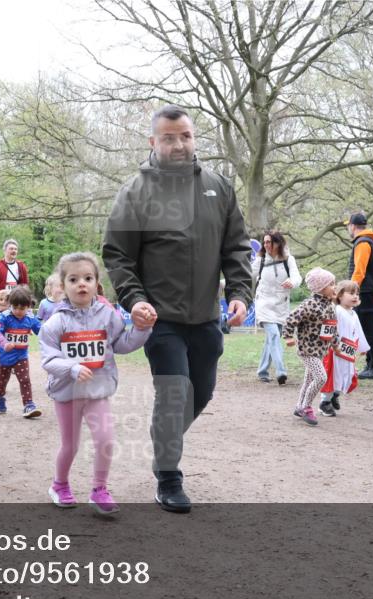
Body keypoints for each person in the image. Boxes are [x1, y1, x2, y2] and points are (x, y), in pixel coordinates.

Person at [103, 103, 252, 513]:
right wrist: (136, 301)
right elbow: (118, 256)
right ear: (154, 142)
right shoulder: (136, 191)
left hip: (206, 317)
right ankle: (169, 478)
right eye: (169, 138)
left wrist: (239, 293)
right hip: (160, 318)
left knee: (199, 394)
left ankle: (162, 440)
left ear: (194, 138)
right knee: (174, 394)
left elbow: (236, 247)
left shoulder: (219, 187)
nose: (179, 144)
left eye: (185, 136)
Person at [40, 252, 152, 514]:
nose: (82, 284)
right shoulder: (56, 322)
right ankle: (59, 485)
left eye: (88, 278)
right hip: (67, 393)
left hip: (97, 391)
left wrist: (143, 330)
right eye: (74, 279)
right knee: (71, 445)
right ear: (63, 285)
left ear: (96, 284)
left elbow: (121, 344)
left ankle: (99, 489)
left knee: (106, 440)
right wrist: (72, 367)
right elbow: (48, 359)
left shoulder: (108, 315)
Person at [282, 268, 338, 426]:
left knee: (308, 380)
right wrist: (288, 336)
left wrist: (336, 345)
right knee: (321, 378)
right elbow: (291, 319)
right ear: (321, 287)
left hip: (320, 350)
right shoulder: (310, 305)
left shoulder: (329, 307)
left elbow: (332, 328)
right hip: (307, 350)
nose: (335, 287)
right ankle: (306, 407)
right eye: (331, 284)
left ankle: (299, 406)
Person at [251, 230, 302, 384]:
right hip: (263, 302)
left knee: (271, 339)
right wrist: (223, 282)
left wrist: (292, 283)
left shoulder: (288, 259)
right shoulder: (260, 261)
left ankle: (262, 371)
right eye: (265, 242)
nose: (266, 245)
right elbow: (245, 275)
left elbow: (297, 276)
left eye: (269, 242)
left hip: (281, 305)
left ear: (278, 243)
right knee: (273, 334)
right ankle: (281, 371)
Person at [319, 280, 370, 416]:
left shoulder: (354, 314)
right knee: (332, 374)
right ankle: (325, 402)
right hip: (334, 350)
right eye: (351, 293)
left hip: (348, 350)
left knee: (345, 374)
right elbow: (328, 328)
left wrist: (362, 347)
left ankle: (335, 394)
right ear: (340, 295)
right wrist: (327, 343)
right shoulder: (336, 310)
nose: (355, 296)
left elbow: (358, 331)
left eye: (357, 294)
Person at [347, 212, 373, 379]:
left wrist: (350, 290)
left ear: (353, 226)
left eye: (348, 226)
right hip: (370, 292)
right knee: (366, 330)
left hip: (366, 293)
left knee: (369, 331)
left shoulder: (362, 243)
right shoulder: (369, 241)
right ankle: (370, 365)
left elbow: (359, 271)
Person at [0, 285, 43, 418]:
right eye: (14, 307)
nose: (18, 311)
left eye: (22, 308)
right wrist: (4, 343)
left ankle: (28, 405)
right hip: (5, 356)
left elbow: (42, 331)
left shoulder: (30, 318)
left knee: (25, 379)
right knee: (2, 381)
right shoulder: (4, 317)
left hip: (21, 356)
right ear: (10, 304)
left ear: (28, 306)